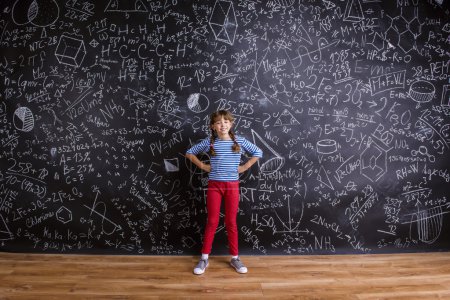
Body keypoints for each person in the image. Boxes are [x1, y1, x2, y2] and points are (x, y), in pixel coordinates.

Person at [186, 110, 263, 275]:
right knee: (212, 221)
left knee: (231, 223)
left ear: (231, 124)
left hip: (232, 186)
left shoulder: (239, 141)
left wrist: (244, 167)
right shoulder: (210, 142)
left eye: (226, 122)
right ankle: (204, 257)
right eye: (219, 122)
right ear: (213, 126)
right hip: (214, 186)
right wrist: (203, 166)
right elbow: (190, 153)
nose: (223, 125)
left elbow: (258, 152)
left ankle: (235, 258)